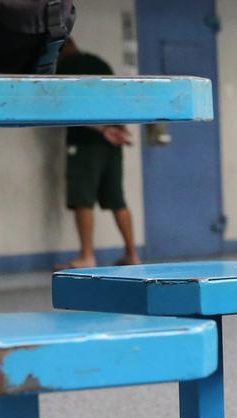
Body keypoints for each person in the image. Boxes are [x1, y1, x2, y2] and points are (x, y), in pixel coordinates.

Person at [55, 38, 139, 269]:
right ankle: (132, 254)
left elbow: (68, 105)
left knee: (83, 199)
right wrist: (119, 127)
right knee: (117, 199)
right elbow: (117, 96)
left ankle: (87, 256)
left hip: (86, 143)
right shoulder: (99, 63)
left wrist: (101, 130)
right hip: (113, 143)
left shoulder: (65, 67)